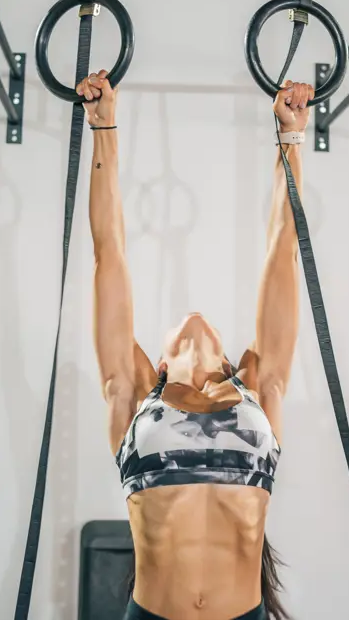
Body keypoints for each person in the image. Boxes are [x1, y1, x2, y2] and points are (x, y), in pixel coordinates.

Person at [76, 70, 314, 620]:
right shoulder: (135, 395)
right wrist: (103, 126)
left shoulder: (259, 388)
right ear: (156, 363)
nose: (194, 316)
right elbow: (107, 251)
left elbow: (284, 251)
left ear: (232, 360)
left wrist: (292, 138)